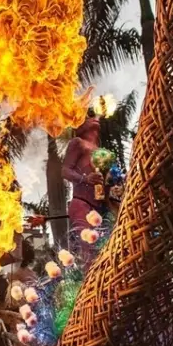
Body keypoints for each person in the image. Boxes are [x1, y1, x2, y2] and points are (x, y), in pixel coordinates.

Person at [62, 113, 104, 268]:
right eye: (88, 117)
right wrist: (85, 179)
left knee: (103, 249)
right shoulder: (78, 143)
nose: (95, 118)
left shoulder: (99, 150)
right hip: (82, 204)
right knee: (90, 252)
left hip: (100, 206)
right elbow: (65, 170)